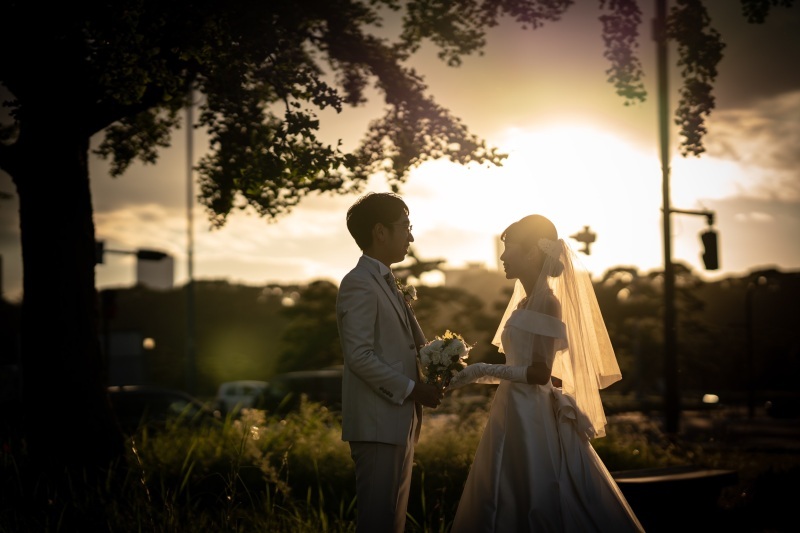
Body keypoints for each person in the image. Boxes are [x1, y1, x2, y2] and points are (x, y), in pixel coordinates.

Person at [447, 214, 645, 532]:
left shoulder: (546, 303)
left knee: (533, 493)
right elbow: (519, 366)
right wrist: (469, 375)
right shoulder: (524, 302)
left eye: (509, 247)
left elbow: (541, 374)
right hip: (511, 406)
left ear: (531, 253)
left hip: (530, 413)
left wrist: (481, 369)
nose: (501, 256)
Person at [336, 192, 444, 533]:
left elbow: (411, 348)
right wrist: (414, 390)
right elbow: (359, 356)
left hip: (397, 422)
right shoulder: (359, 283)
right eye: (406, 227)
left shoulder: (387, 282)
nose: (411, 236)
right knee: (378, 522)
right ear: (380, 231)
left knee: (391, 522)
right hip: (378, 424)